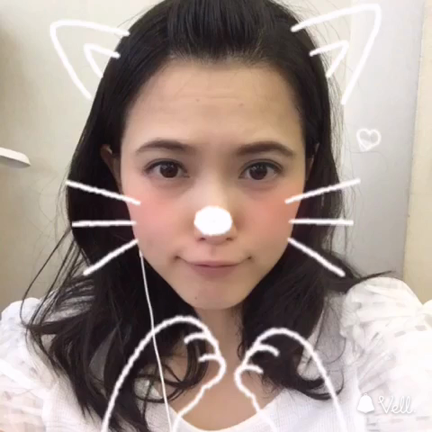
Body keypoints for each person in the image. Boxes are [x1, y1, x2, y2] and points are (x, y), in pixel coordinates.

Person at [1, 0, 431, 431]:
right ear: (116, 173)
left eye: (259, 169)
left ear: (308, 172)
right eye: (168, 168)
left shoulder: (378, 349)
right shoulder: (37, 368)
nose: (215, 222)